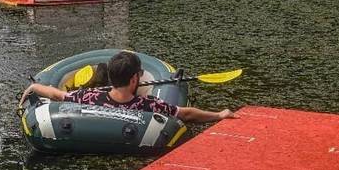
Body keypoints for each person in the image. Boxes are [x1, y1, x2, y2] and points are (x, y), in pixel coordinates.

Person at [21, 51, 237, 123]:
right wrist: (219, 115)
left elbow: (58, 95)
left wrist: (34, 88)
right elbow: (186, 114)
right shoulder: (148, 105)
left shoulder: (88, 97)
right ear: (134, 79)